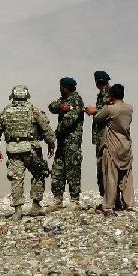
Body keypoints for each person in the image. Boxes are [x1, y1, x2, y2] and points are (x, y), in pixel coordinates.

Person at [0, 84, 56, 220]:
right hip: (31, 149)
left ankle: (18, 210)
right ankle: (36, 206)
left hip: (13, 151)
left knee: (16, 179)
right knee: (39, 173)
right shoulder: (34, 111)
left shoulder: (5, 113)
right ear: (27, 96)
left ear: (12, 96)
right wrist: (51, 144)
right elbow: (46, 129)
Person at [88, 84, 133, 216]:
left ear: (112, 95)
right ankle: (129, 204)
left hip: (112, 146)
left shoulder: (110, 109)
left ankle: (108, 206)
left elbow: (97, 118)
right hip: (126, 145)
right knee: (126, 176)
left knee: (110, 176)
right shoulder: (129, 108)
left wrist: (97, 109)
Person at [47, 77, 84, 209]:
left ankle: (75, 200)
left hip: (72, 143)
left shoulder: (76, 100)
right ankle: (58, 199)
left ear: (66, 87)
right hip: (62, 143)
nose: (60, 89)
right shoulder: (63, 100)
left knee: (73, 170)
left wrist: (54, 133)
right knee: (57, 171)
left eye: (61, 86)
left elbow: (69, 121)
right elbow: (51, 106)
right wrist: (60, 107)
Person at [84, 71, 111, 205]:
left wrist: (96, 110)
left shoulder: (109, 93)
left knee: (106, 168)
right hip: (101, 136)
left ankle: (110, 199)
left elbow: (112, 108)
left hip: (106, 136)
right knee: (101, 167)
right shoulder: (102, 94)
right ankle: (107, 197)